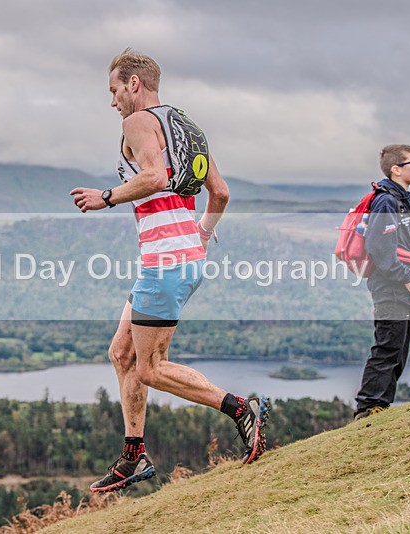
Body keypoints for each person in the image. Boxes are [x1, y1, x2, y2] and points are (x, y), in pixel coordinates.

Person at [70, 48, 269, 493]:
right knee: (121, 354)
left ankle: (241, 409)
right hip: (179, 258)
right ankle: (133, 456)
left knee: (150, 368)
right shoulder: (188, 127)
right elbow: (220, 194)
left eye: (114, 89)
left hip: (165, 263)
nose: (113, 100)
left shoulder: (138, 123)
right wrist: (200, 236)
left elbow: (156, 177)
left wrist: (106, 196)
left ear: (134, 84)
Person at [354, 145, 410, 420]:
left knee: (398, 349)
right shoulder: (387, 201)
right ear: (396, 169)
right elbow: (379, 247)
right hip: (391, 287)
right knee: (387, 347)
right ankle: (367, 409)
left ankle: (380, 407)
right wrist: (407, 279)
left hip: (397, 286)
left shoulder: (400, 199)